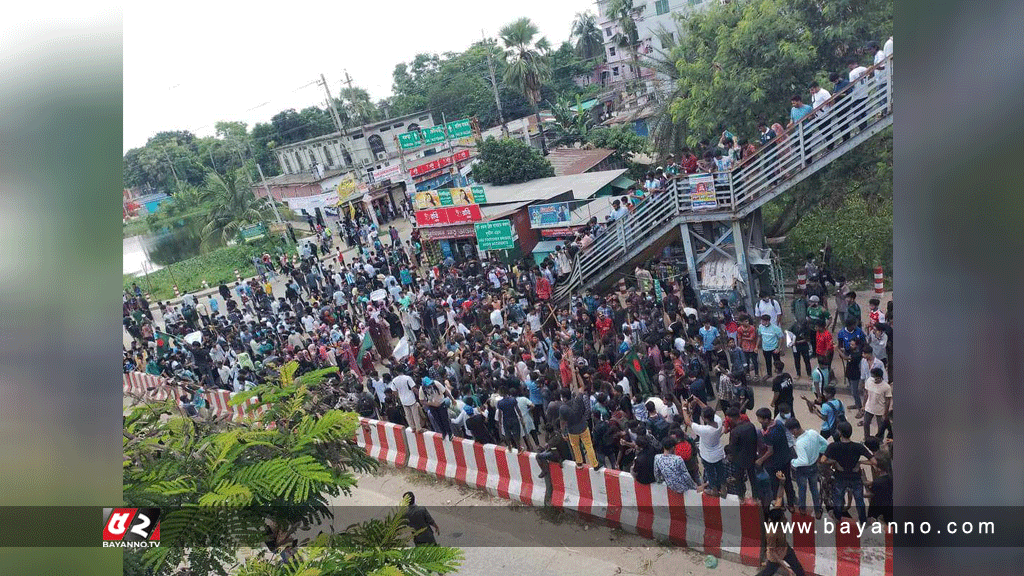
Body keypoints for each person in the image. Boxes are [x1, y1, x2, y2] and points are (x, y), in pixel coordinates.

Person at [758, 474, 808, 576]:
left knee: (797, 568)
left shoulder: (775, 514)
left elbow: (779, 496)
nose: (785, 518)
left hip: (785, 548)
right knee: (768, 572)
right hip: (775, 556)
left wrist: (782, 482)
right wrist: (787, 569)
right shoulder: (771, 533)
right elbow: (773, 553)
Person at [823, 421, 872, 521]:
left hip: (840, 476)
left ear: (840, 433)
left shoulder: (833, 446)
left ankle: (837, 517)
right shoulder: (858, 447)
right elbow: (874, 461)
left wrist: (835, 461)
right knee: (859, 500)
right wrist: (860, 462)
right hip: (855, 477)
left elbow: (823, 460)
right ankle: (863, 520)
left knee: (838, 498)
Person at [755, 407, 795, 510]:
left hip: (774, 463)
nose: (759, 421)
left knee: (775, 485)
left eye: (760, 419)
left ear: (766, 420)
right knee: (787, 482)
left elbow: (770, 451)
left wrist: (760, 460)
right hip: (785, 458)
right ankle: (791, 504)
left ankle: (779, 505)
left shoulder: (768, 434)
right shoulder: (778, 423)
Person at [787, 418, 827, 518]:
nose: (792, 435)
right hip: (814, 466)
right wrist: (818, 452)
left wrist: (793, 462)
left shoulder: (800, 443)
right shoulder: (813, 432)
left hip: (803, 470)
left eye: (791, 432)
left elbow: (803, 461)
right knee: (814, 490)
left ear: (794, 430)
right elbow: (825, 444)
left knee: (802, 490)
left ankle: (803, 509)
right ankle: (817, 511)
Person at [685, 404, 726, 496]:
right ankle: (723, 490)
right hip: (719, 453)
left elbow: (688, 422)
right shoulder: (719, 421)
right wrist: (698, 401)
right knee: (721, 472)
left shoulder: (704, 430)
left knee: (710, 474)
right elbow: (709, 409)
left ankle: (714, 491)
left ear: (705, 419)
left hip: (708, 456)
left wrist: (684, 408)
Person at [861, 367, 892, 440]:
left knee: (880, 427)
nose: (873, 379)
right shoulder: (869, 381)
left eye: (875, 377)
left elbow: (888, 400)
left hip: (880, 410)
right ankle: (867, 438)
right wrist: (863, 405)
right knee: (866, 423)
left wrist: (885, 413)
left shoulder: (886, 387)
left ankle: (879, 440)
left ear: (880, 377)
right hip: (869, 407)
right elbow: (866, 394)